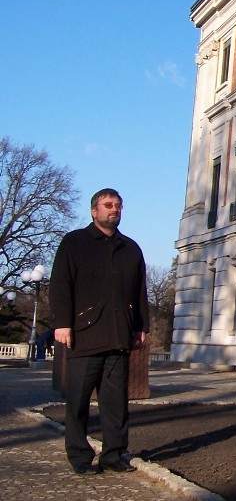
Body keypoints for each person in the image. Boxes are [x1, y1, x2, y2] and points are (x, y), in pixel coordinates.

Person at [49, 188, 149, 476]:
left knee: (116, 403)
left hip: (119, 336)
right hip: (85, 334)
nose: (114, 209)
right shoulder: (74, 243)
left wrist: (142, 326)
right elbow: (60, 284)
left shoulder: (130, 249)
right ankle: (80, 456)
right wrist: (62, 323)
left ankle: (114, 454)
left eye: (118, 205)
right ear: (94, 211)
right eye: (108, 205)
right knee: (78, 401)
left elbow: (139, 291)